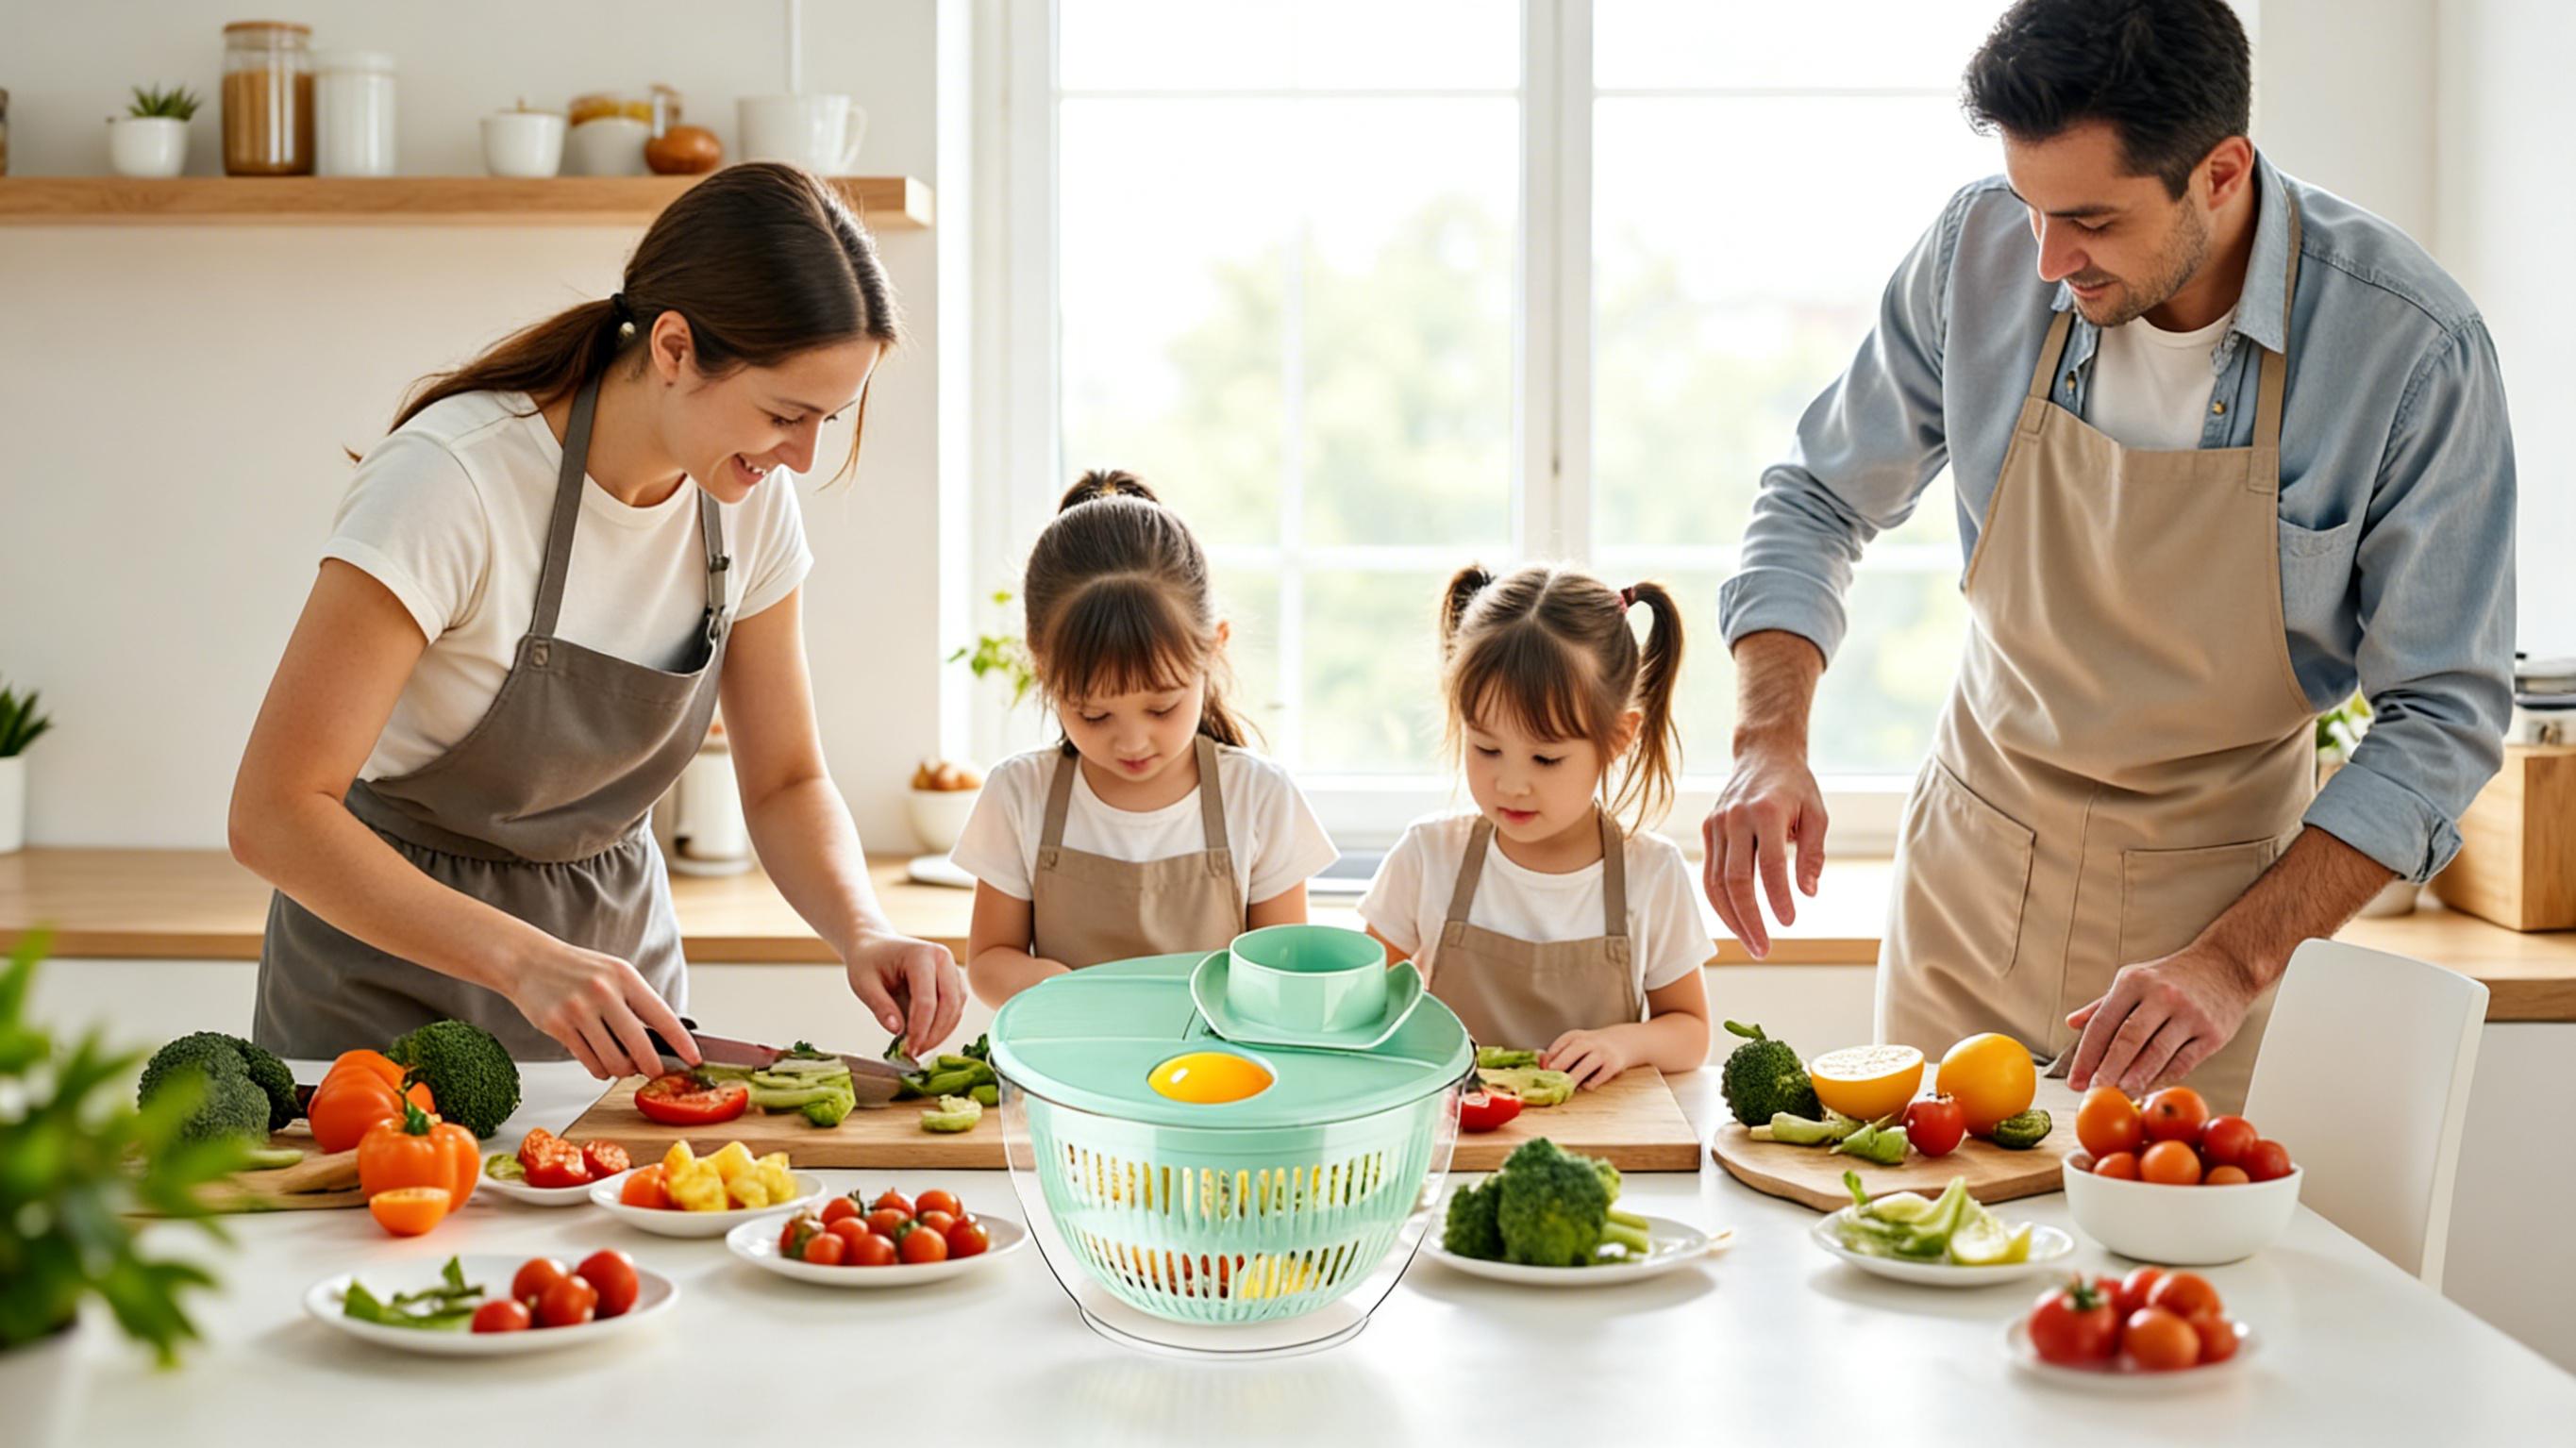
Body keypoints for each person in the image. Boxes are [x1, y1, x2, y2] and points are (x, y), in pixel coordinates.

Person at [1701, 0, 2514, 1112]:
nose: (2047, 257)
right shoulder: (1979, 250)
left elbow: (2442, 715)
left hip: (2213, 949)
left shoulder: (2409, 349)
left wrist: (2232, 962)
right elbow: (1815, 495)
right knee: (1914, 1218)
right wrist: (1767, 741)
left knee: (2163, 1233)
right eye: (2031, 206)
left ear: (2220, 173)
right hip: (1968, 896)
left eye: (2089, 218)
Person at [234, 164, 968, 1079]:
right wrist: (523, 960)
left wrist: (864, 929)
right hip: (380, 999)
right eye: (787, 413)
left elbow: (785, 780)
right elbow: (274, 812)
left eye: (828, 417)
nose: (804, 457)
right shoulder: (452, 481)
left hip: (621, 1009)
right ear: (674, 348)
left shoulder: (744, 499)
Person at [952, 472, 1337, 1003]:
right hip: (1066, 1051)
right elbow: (989, 961)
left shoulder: (1259, 798)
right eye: (1094, 715)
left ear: (1214, 648)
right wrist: (1065, 994)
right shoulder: (1019, 795)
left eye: (1162, 708)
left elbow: (1282, 976)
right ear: (1042, 666)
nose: (1132, 742)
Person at [1362, 564, 1712, 1088]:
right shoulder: (1428, 856)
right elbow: (1364, 1004)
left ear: (1618, 738)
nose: (1511, 784)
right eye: (1487, 748)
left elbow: (1691, 1033)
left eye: (1545, 759)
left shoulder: (1652, 873)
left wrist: (1623, 1044)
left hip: (1601, 1131)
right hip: (1457, 1128)